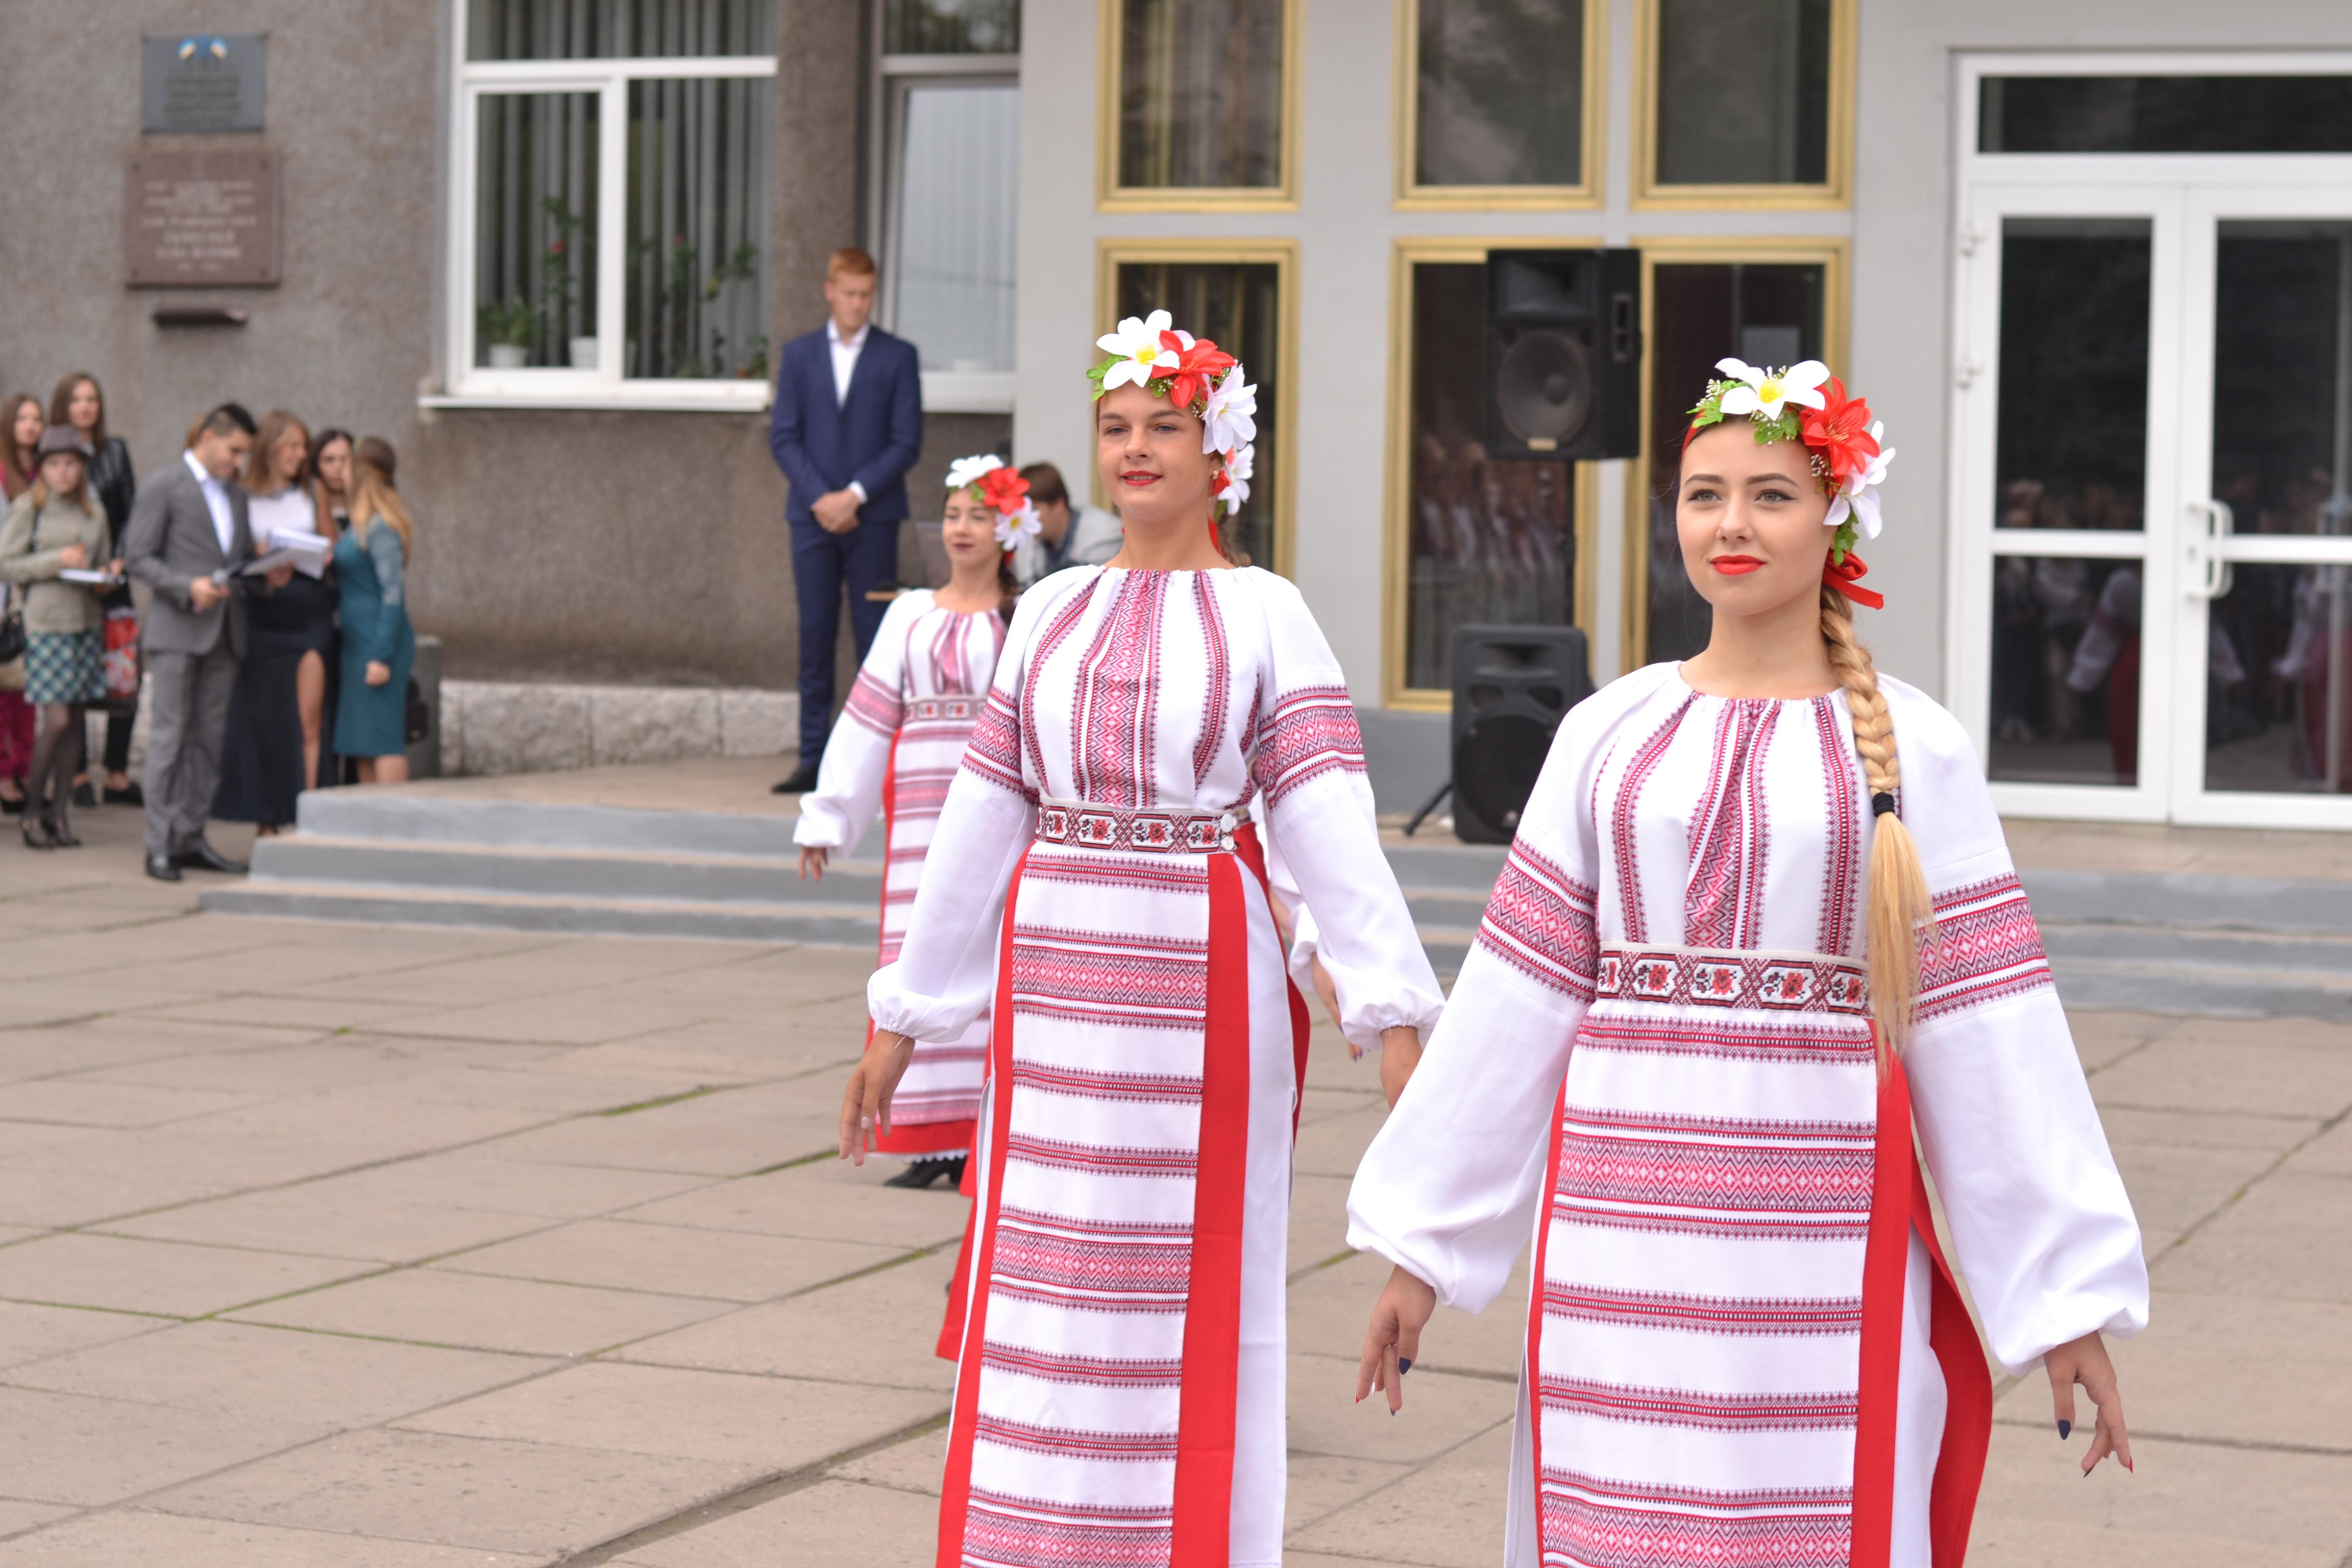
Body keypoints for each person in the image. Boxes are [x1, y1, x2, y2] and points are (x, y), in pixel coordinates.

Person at [1348, 359, 2148, 1567]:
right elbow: (1516, 1001)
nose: (1731, 523)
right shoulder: (1604, 733)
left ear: (1836, 519)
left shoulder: (1913, 748)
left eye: (1771, 495)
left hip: (1819, 1241)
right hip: (1619, 1232)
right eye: (1703, 494)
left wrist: (2064, 1301)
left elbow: (1991, 1032)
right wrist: (1424, 1246)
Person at [840, 311, 1442, 1565]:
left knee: (1180, 1267)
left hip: (1201, 977)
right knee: (1045, 1257)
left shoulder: (1268, 612)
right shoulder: (1052, 608)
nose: (1134, 448)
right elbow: (983, 812)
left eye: (1164, 425)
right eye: (1116, 426)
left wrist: (1390, 1004)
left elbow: (1325, 813)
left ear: (1219, 451)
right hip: (1055, 974)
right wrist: (906, 1011)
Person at [795, 455, 1028, 1192]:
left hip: (997, 809)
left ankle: (981, 1137)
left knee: (991, 954)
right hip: (920, 812)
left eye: (979, 516)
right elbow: (869, 716)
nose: (962, 528)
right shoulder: (910, 614)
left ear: (1008, 530)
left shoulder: (1025, 617)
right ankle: (928, 1139)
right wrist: (828, 814)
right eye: (953, 514)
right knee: (917, 950)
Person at [767, 246, 923, 794]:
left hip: (873, 518)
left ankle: (871, 765)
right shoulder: (800, 355)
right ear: (830, 291)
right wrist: (822, 499)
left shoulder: (898, 356)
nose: (858, 304)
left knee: (874, 642)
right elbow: (784, 436)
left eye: (867, 295)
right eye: (850, 294)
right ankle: (812, 758)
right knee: (814, 638)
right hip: (811, 519)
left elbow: (906, 441)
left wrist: (854, 496)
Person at [124, 403, 276, 883]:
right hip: (177, 630)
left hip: (225, 633)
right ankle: (159, 845)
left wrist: (264, 566)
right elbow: (137, 556)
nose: (240, 461)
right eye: (235, 451)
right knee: (170, 739)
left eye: (245, 453)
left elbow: (234, 561)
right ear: (209, 438)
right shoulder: (163, 485)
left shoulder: (236, 495)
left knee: (209, 743)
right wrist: (186, 586)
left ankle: (190, 838)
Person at [215, 411, 337, 832]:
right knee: (266, 721)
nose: (301, 455)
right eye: (293, 446)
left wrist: (313, 553)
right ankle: (267, 818)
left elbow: (330, 546)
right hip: (263, 612)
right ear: (270, 447)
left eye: (304, 447)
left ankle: (308, 816)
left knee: (308, 719)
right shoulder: (241, 494)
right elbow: (231, 554)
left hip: (308, 611)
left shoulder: (312, 489)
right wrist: (260, 557)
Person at [0, 428, 114, 848]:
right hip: (46, 626)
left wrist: (106, 576)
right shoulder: (29, 508)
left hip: (85, 623)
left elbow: (102, 563)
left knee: (77, 724)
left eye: (71, 463)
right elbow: (5, 564)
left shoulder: (94, 512)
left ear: (82, 467)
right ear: (41, 468)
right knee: (58, 720)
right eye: (54, 464)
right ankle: (32, 812)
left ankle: (59, 815)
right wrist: (55, 561)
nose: (63, 472)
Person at [52, 373, 142, 808]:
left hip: (112, 579)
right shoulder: (54, 454)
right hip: (69, 583)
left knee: (124, 677)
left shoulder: (115, 451)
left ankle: (118, 773)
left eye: (92, 399)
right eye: (77, 400)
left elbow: (132, 511)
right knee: (76, 678)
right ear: (63, 407)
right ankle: (79, 772)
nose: (86, 407)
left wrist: (120, 560)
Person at [332, 437, 416, 785]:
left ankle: (394, 814)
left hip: (378, 646)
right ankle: (369, 814)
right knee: (363, 743)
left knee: (383, 738)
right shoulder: (360, 525)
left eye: (345, 466)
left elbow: (393, 594)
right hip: (358, 645)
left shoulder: (381, 527)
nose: (340, 474)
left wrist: (381, 655)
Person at [0, 394, 41, 817]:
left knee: (28, 690)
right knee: (4, 691)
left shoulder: (45, 472)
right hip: (7, 593)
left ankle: (25, 770)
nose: (30, 426)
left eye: (37, 419)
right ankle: (5, 775)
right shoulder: (2, 472)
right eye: (22, 419)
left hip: (38, 597)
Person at [1007, 459, 1123, 585]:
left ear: (1059, 504)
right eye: (1023, 513)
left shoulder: (1103, 534)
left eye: (1034, 510)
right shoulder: (1040, 540)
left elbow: (1096, 589)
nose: (1027, 519)